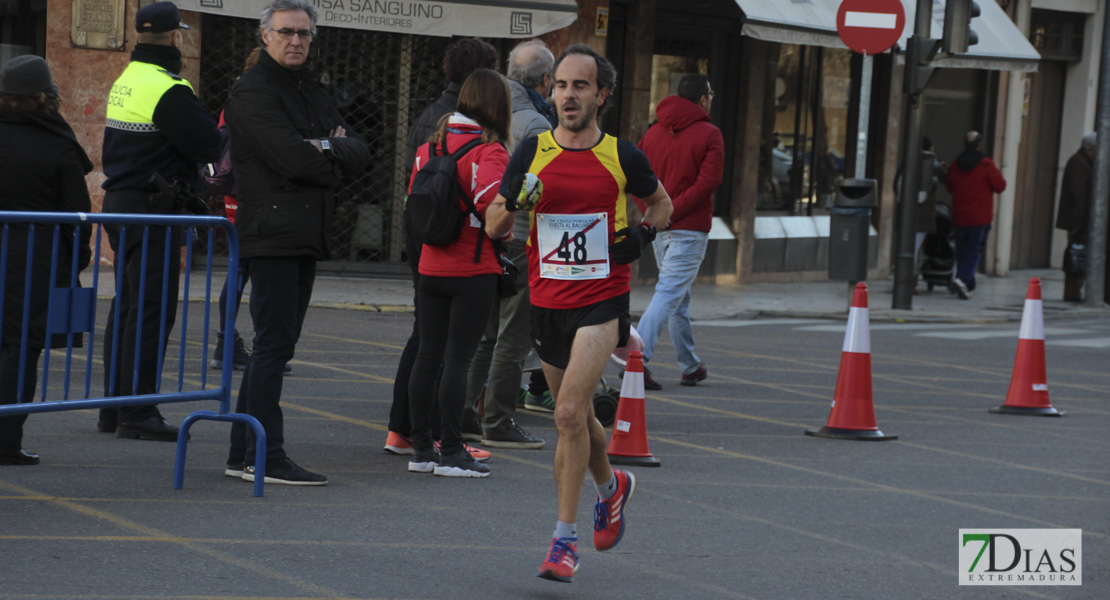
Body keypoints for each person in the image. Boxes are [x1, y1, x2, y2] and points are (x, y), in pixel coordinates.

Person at [485, 44, 673, 583]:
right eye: (562, 85)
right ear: (552, 89)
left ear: (601, 95)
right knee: (582, 417)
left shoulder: (623, 155)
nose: (569, 95)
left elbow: (663, 204)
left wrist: (641, 236)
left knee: (567, 413)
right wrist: (515, 200)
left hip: (601, 298)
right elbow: (495, 226)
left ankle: (563, 542)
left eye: (581, 86)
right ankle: (613, 488)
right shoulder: (531, 150)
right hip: (547, 301)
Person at [224, 0, 370, 485]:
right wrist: (323, 151)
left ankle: (244, 452)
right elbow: (292, 160)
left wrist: (324, 146)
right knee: (273, 347)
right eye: (286, 32)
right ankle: (265, 455)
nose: (296, 41)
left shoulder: (311, 87)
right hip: (272, 234)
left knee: (275, 346)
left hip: (303, 232)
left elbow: (360, 150)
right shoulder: (251, 92)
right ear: (264, 35)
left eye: (304, 34)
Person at [98, 1, 220, 441]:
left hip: (123, 203)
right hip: (151, 210)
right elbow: (207, 142)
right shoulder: (169, 88)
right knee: (151, 309)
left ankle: (114, 408)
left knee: (128, 306)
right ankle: (138, 411)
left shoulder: (128, 79)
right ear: (175, 37)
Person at [384, 37, 497, 460]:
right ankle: (432, 436)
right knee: (447, 351)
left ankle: (407, 432)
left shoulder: (431, 122)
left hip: (425, 241)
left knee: (427, 342)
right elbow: (491, 209)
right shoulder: (479, 136)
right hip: (458, 250)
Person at [406, 69, 513, 478]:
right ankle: (451, 452)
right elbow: (495, 219)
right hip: (472, 269)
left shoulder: (428, 147)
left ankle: (421, 450)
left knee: (428, 356)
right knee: (458, 360)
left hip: (430, 265)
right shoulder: (491, 151)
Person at [462, 39, 555, 450]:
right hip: (522, 238)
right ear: (547, 80)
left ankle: (465, 412)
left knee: (486, 333)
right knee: (513, 335)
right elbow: (540, 188)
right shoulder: (535, 123)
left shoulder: (499, 111)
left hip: (495, 236)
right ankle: (497, 419)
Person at [0, 56, 93, 465]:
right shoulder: (57, 140)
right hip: (34, 257)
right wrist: (77, 260)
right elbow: (77, 211)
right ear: (46, 95)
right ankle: (5, 441)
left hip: (22, 251)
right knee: (21, 348)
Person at [633, 74, 723, 390]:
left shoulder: (653, 133)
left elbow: (635, 178)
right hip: (688, 228)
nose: (711, 99)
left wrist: (655, 212)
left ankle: (690, 365)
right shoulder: (710, 134)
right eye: (711, 94)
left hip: (662, 228)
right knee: (670, 293)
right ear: (703, 99)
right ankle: (636, 359)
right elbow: (707, 184)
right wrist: (669, 212)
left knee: (678, 298)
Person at [945, 131, 1006, 300]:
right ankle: (962, 279)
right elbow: (1000, 186)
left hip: (959, 215)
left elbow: (950, 186)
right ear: (979, 145)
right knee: (974, 250)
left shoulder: (955, 165)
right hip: (980, 216)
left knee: (962, 250)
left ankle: (968, 286)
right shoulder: (986, 165)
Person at [1055, 132, 1096, 302]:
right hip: (1080, 222)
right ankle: (1072, 292)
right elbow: (1078, 195)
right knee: (1077, 256)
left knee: (1080, 255)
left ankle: (1075, 291)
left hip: (1081, 221)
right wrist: (1077, 224)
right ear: (1092, 149)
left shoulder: (1084, 163)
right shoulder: (1079, 164)